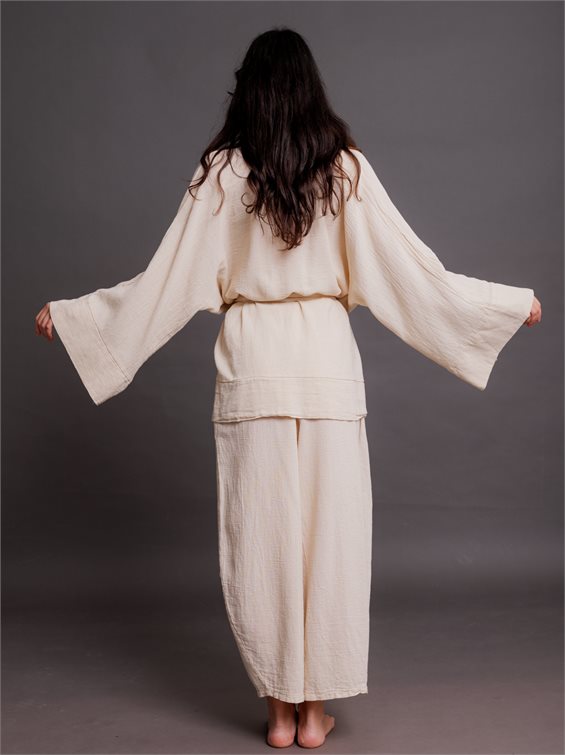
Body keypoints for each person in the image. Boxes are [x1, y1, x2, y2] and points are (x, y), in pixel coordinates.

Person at [35, 26, 541, 750]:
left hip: (253, 370)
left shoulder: (220, 175)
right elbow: (412, 274)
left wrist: (78, 319)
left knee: (261, 542)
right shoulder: (345, 171)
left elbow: (164, 281)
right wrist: (502, 307)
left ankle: (278, 715)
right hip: (327, 371)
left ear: (248, 91)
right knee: (330, 544)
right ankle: (313, 716)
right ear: (310, 90)